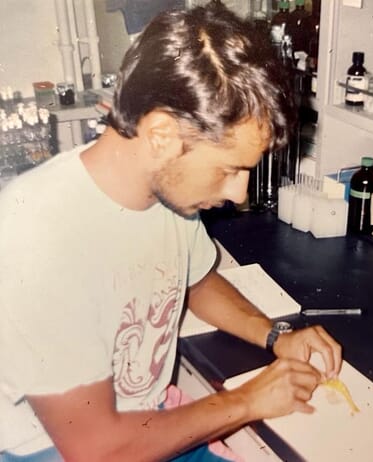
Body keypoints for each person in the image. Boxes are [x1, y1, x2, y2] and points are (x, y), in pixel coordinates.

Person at [0, 2, 342, 461]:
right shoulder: (35, 236)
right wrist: (248, 400)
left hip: (148, 424)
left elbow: (195, 279)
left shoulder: (167, 194)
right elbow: (95, 450)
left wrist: (275, 335)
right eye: (228, 169)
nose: (239, 194)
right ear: (161, 134)